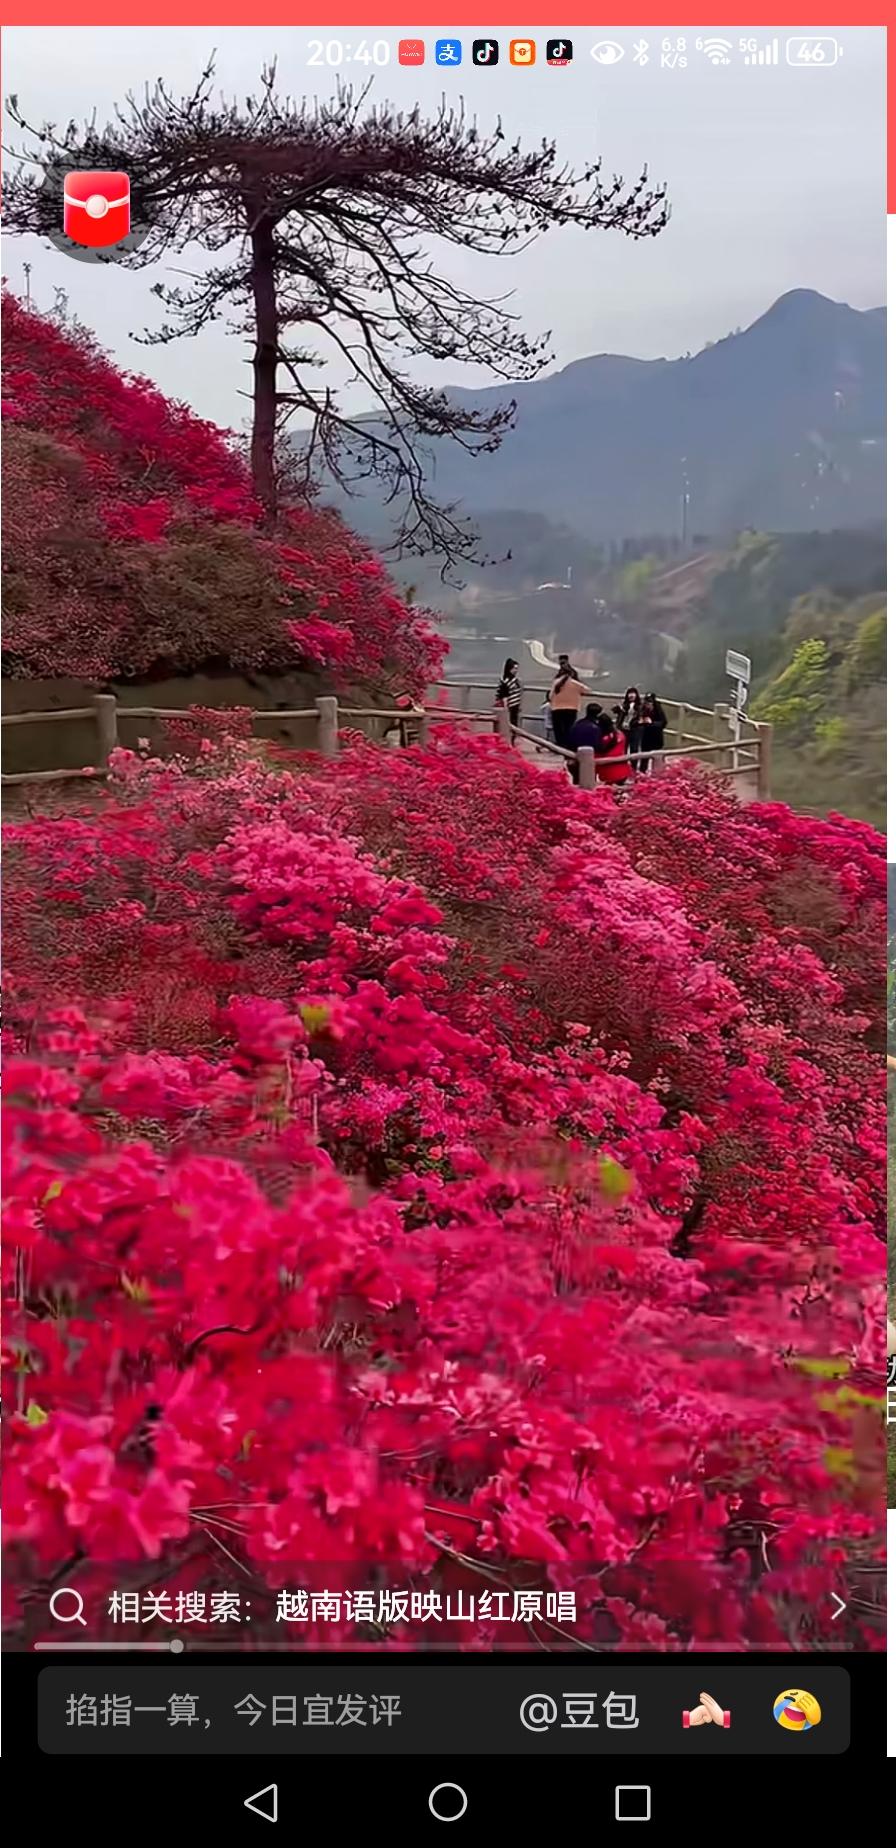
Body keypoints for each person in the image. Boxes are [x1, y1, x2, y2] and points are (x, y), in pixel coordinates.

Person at [549, 662, 591, 749]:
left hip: (557, 708)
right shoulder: (575, 683)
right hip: (572, 708)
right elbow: (588, 690)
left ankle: (559, 747)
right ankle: (567, 747)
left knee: (558, 730)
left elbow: (550, 696)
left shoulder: (556, 683)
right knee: (568, 728)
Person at [594, 710, 632, 788]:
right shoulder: (621, 735)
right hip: (622, 770)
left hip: (608, 772)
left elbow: (598, 755)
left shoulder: (604, 740)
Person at [567, 702, 603, 782]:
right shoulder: (596, 728)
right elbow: (598, 745)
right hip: (589, 759)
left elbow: (570, 740)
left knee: (576, 781)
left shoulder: (577, 724)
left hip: (575, 755)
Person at [495, 657, 522, 742]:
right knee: (508, 724)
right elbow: (504, 695)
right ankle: (507, 741)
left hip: (515, 705)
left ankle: (512, 740)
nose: (516, 670)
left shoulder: (515, 680)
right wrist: (506, 708)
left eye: (517, 668)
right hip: (508, 706)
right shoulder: (505, 680)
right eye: (514, 668)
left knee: (514, 724)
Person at [639, 692, 668, 772]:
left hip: (656, 737)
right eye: (647, 702)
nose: (648, 704)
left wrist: (652, 723)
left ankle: (658, 773)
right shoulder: (642, 710)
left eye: (650, 702)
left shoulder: (658, 710)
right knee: (644, 758)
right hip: (645, 737)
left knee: (657, 758)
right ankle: (642, 773)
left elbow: (663, 723)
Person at [619, 687, 642, 763]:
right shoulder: (624, 705)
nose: (631, 695)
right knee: (623, 748)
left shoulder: (640, 706)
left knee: (634, 748)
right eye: (629, 693)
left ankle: (634, 766)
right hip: (624, 729)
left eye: (633, 693)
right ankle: (623, 765)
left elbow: (640, 717)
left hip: (635, 729)